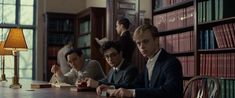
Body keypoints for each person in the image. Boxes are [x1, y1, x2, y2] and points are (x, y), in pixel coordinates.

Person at [97, 25, 183, 98]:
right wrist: (110, 87)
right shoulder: (149, 62)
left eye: (145, 41)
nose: (141, 46)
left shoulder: (171, 62)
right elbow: (133, 85)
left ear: (156, 40)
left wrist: (133, 93)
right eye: (138, 43)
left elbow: (171, 92)